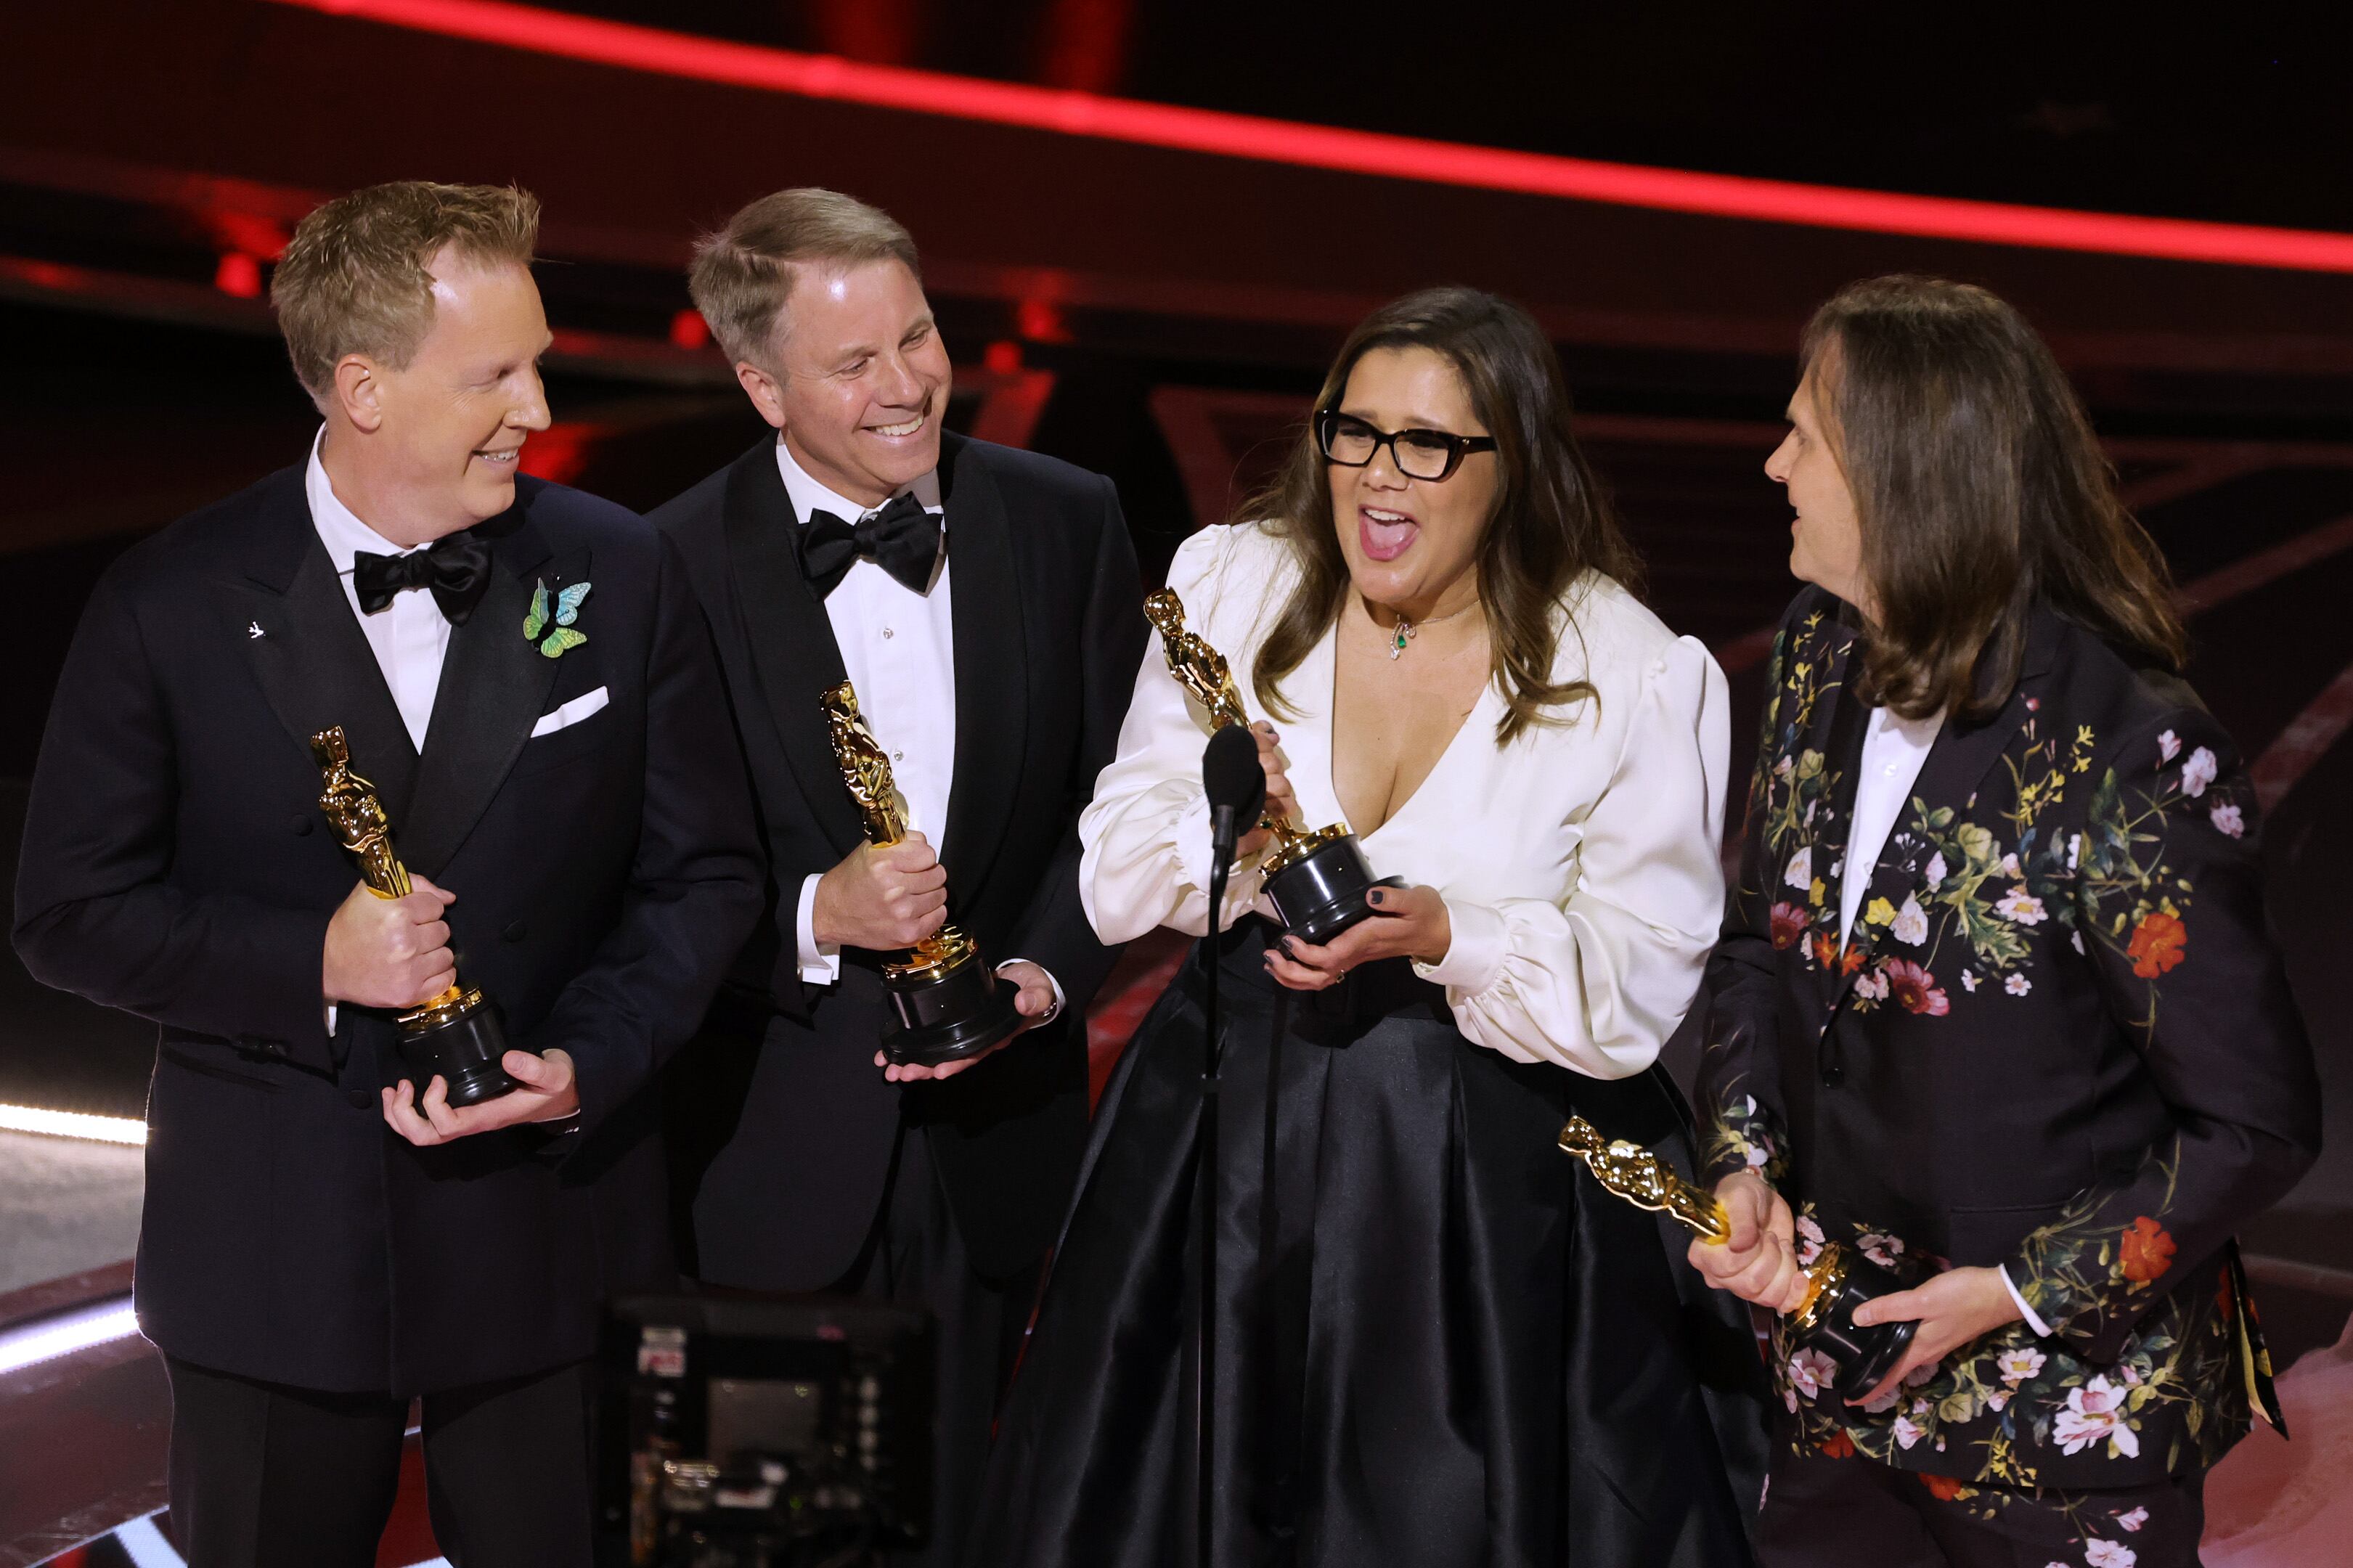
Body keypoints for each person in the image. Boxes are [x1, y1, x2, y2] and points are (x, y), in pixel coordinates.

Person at [10, 181, 763, 1564]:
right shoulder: (170, 601)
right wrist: (316, 963)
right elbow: (70, 916)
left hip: (552, 1233)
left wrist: (587, 1059)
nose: (538, 406)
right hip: (277, 1256)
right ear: (363, 387)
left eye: (536, 360)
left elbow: (705, 876)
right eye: (497, 374)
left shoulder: (621, 570)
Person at [974, 286, 1762, 1567]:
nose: (1378, 479)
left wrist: (1454, 933)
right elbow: (1119, 871)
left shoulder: (1627, 667)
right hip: (1226, 1147)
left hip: (1479, 1185)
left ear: (1512, 465)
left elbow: (1637, 984)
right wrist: (1226, 833)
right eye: (1355, 432)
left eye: (1429, 445)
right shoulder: (1235, 585)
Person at [1690, 275, 2322, 1567]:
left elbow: (2252, 1124)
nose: (1773, 465)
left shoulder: (2130, 755)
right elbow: (1761, 940)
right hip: (1839, 1382)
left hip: (2059, 1435)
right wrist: (1744, 1158)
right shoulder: (1818, 650)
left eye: (1803, 436)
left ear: (1901, 475)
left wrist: (2019, 1294)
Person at [649, 188, 1144, 1565]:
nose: (906, 383)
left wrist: (1047, 972)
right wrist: (814, 915)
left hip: (1004, 1145)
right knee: (770, 1540)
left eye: (916, 337)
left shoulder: (1064, 517)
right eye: (853, 362)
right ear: (762, 385)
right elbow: (639, 866)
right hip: (765, 1150)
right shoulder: (661, 566)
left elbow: (1121, 798)